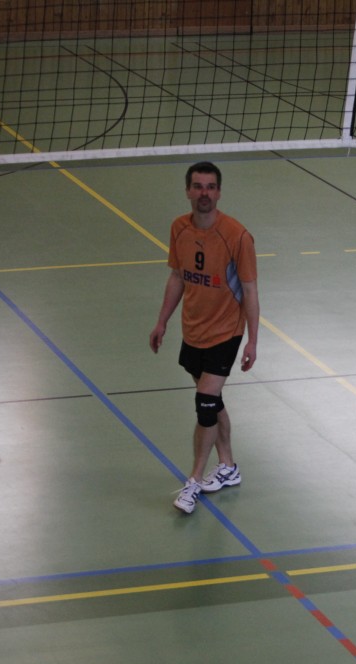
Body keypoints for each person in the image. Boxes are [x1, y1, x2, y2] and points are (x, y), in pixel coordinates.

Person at [149, 161, 259, 514]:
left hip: (227, 331)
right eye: (198, 186)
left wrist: (252, 340)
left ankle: (193, 480)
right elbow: (178, 277)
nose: (204, 193)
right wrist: (162, 322)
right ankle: (228, 466)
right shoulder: (179, 228)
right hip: (193, 329)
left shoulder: (237, 236)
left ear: (219, 192)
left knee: (206, 403)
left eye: (210, 187)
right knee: (212, 399)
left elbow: (250, 290)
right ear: (188, 191)